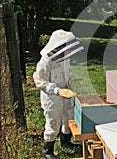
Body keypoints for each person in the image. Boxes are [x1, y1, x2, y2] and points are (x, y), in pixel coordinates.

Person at [33, 29, 84, 159]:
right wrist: (57, 90)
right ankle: (48, 151)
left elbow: (68, 74)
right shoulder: (45, 62)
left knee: (69, 117)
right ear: (57, 46)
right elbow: (40, 81)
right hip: (52, 97)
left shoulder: (64, 58)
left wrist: (71, 86)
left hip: (67, 94)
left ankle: (66, 142)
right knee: (53, 121)